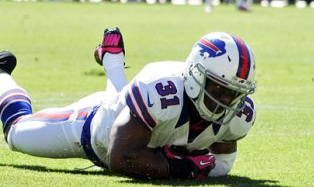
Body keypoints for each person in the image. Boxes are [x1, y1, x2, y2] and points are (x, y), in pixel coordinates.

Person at [0, 28, 256, 180]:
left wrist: (187, 163)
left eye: (233, 93)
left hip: (128, 116)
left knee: (123, 101)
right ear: (196, 76)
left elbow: (221, 165)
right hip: (94, 131)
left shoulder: (237, 114)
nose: (225, 101)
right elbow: (121, 156)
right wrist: (183, 166)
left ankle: (112, 59)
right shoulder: (161, 89)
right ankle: (2, 74)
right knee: (15, 132)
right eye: (218, 88)